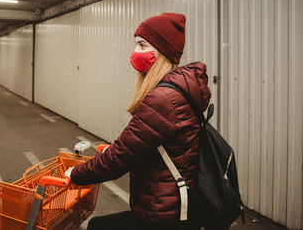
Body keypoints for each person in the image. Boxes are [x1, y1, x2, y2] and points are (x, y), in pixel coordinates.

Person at [65, 13, 211, 230]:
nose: (135, 52)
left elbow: (119, 159)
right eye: (136, 45)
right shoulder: (178, 91)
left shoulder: (163, 98)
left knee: (97, 226)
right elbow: (142, 144)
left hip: (162, 213)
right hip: (172, 205)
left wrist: (76, 174)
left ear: (162, 51)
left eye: (142, 45)